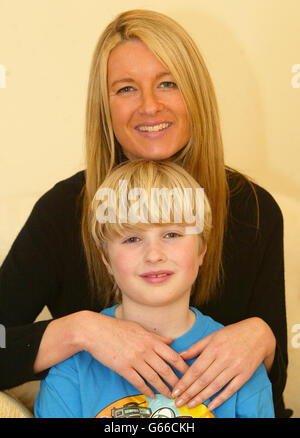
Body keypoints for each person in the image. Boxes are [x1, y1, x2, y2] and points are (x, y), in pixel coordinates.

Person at [0, 9, 290, 417]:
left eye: (167, 83)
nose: (149, 106)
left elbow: (272, 391)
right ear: (105, 106)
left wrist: (264, 338)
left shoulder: (253, 209)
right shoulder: (63, 211)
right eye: (126, 89)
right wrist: (79, 330)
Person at [34, 159, 274, 418]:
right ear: (106, 260)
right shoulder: (74, 367)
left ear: (202, 249)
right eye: (132, 238)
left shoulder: (239, 360)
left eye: (171, 234)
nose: (153, 254)